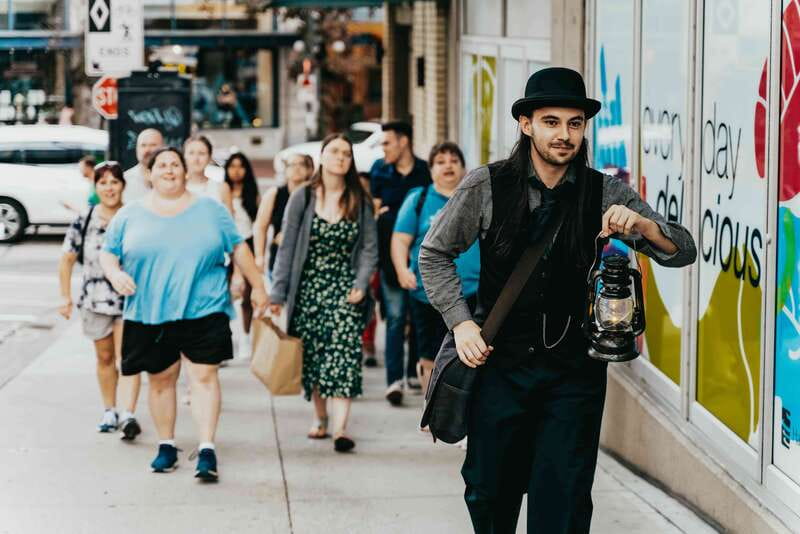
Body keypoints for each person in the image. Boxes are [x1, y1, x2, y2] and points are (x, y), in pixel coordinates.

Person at [418, 67, 698, 533]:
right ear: (526, 124)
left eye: (574, 123)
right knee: (489, 495)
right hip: (500, 367)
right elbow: (434, 254)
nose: (564, 135)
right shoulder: (485, 185)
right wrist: (461, 323)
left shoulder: (605, 190)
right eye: (551, 122)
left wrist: (643, 226)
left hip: (574, 375)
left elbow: (681, 251)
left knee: (564, 505)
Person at [99, 147, 268, 481]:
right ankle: (166, 445)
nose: (169, 170)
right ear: (149, 174)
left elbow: (238, 246)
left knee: (203, 378)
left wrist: (258, 287)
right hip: (149, 310)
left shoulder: (210, 209)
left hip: (203, 307)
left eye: (174, 164)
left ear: (185, 170)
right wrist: (115, 273)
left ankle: (207, 449)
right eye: (161, 165)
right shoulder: (130, 214)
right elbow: (108, 252)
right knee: (160, 380)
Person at [269, 134, 378, 453]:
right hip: (308, 290)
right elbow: (287, 248)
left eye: (346, 153)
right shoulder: (302, 197)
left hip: (346, 290)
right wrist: (277, 294)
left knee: (343, 355)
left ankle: (341, 428)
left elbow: (370, 248)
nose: (341, 158)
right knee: (315, 358)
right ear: (322, 156)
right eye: (334, 152)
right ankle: (320, 417)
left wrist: (361, 282)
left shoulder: (360, 199)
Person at [58, 161, 143, 439]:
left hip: (129, 299)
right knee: (104, 357)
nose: (109, 188)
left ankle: (129, 414)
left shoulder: (134, 216)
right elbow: (67, 258)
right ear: (96, 187)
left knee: (126, 357)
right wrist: (65, 297)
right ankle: (110, 409)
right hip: (94, 299)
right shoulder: (84, 219)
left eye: (114, 182)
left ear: (123, 186)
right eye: (103, 182)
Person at [391, 142, 480, 398]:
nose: (448, 166)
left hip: (473, 291)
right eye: (441, 161)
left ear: (464, 167)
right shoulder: (418, 200)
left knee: (469, 352)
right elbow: (400, 239)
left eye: (454, 160)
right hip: (427, 294)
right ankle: (433, 405)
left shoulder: (474, 200)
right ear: (431, 170)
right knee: (430, 352)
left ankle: (460, 406)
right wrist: (401, 269)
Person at [369, 120, 431, 406]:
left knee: (418, 320)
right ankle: (394, 380)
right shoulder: (379, 171)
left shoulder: (424, 172)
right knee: (395, 318)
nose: (383, 149)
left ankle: (413, 373)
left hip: (420, 260)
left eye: (387, 142)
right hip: (388, 257)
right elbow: (375, 209)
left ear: (403, 142)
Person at [252, 153, 314, 276]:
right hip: (280, 260)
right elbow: (260, 226)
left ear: (309, 170)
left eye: (301, 164)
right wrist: (260, 257)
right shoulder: (274, 194)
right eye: (292, 165)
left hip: (307, 260)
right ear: (285, 170)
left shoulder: (314, 195)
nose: (297, 168)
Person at [224, 152, 260, 358]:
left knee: (247, 295)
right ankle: (228, 336)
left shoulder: (251, 193)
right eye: (232, 166)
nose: (236, 171)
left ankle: (245, 336)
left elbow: (259, 224)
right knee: (226, 293)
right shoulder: (222, 191)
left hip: (248, 243)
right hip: (226, 245)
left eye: (241, 166)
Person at [183, 135, 233, 213]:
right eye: (191, 153)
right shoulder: (176, 187)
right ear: (184, 156)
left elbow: (229, 223)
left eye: (201, 153)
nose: (196, 158)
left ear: (209, 158)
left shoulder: (221, 188)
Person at [124, 129, 163, 202]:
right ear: (137, 149)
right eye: (143, 145)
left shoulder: (172, 178)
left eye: (153, 145)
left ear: (163, 148)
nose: (147, 150)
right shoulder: (125, 180)